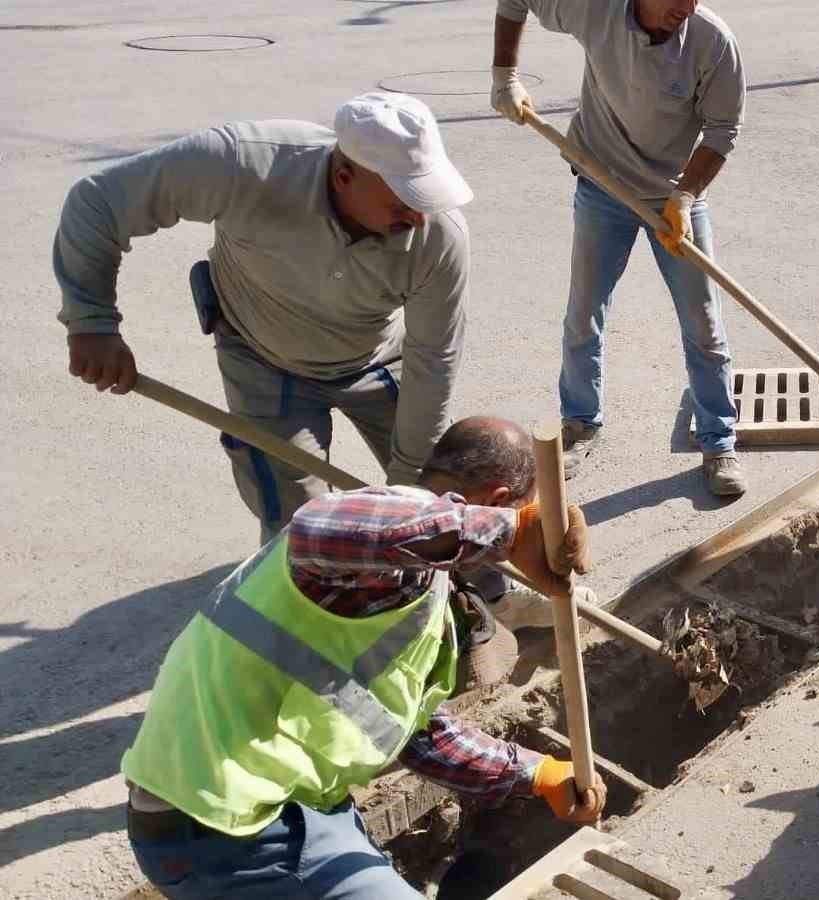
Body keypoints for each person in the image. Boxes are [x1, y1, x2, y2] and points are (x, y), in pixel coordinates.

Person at [122, 416, 607, 899]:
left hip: (292, 810)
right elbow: (322, 527)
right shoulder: (379, 531)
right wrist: (506, 531)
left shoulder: (410, 587)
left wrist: (536, 774)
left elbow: (418, 731)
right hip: (228, 824)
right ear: (498, 501)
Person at [54, 91, 474, 543]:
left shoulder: (438, 235)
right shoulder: (240, 165)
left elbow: (434, 358)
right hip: (262, 360)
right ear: (345, 175)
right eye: (401, 202)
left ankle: (491, 591)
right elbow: (97, 204)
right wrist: (91, 321)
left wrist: (410, 484)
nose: (416, 215)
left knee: (447, 499)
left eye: (424, 195)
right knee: (303, 535)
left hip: (376, 362)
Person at [489, 0, 749, 496]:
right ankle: (580, 422)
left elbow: (723, 130)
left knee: (703, 323)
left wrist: (686, 196)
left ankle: (719, 441)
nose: (687, 6)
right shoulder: (594, 10)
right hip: (601, 184)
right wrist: (505, 77)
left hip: (675, 199)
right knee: (584, 312)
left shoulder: (712, 41)